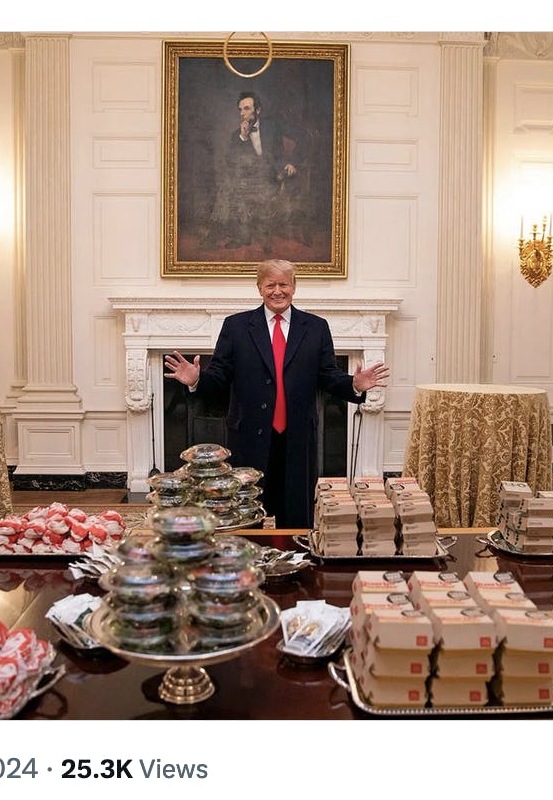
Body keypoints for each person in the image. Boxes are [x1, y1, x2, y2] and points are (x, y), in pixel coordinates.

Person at [164, 259, 389, 528]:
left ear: (294, 287)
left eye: (284, 284)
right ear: (259, 288)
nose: (277, 291)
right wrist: (197, 379)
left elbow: (328, 376)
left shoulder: (316, 327)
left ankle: (295, 563)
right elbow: (220, 377)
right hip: (248, 436)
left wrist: (354, 383)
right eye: (270, 285)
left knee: (296, 516)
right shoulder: (236, 326)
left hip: (298, 437)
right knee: (246, 514)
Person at [211, 92, 306, 248]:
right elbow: (230, 161)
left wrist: (292, 162)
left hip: (274, 177)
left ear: (258, 110)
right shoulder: (237, 135)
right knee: (228, 185)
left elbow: (303, 136)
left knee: (232, 188)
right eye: (240, 109)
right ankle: (233, 234)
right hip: (248, 179)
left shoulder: (273, 125)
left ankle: (228, 234)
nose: (242, 113)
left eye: (247, 108)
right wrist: (243, 137)